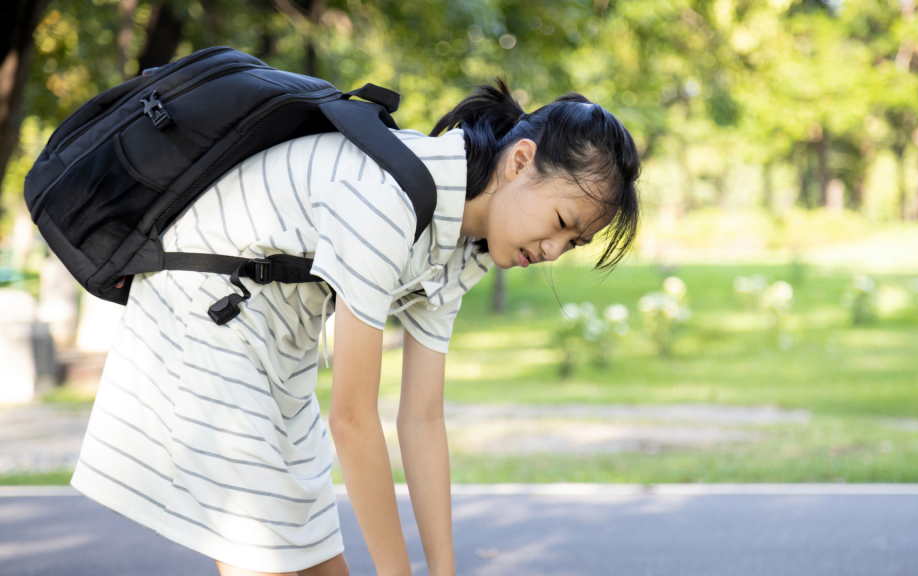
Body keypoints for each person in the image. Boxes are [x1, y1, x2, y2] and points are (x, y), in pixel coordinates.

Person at [69, 77, 641, 576]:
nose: (554, 250)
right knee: (264, 554)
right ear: (520, 161)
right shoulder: (392, 198)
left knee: (318, 560)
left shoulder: (462, 248)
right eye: (561, 221)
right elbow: (351, 419)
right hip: (203, 316)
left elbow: (422, 419)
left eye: (575, 242)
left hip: (278, 346)